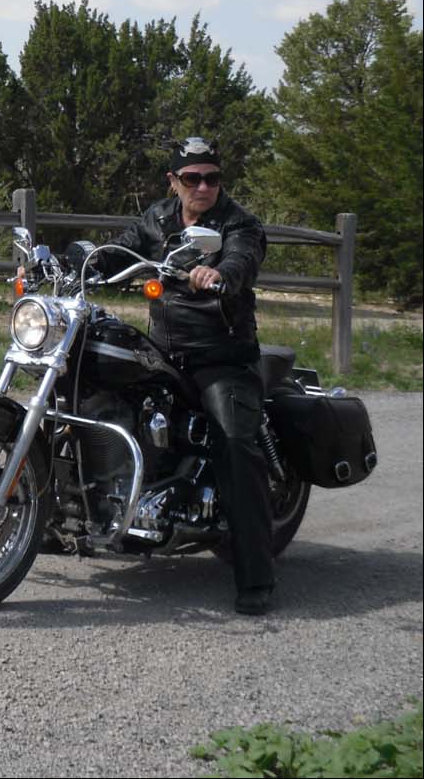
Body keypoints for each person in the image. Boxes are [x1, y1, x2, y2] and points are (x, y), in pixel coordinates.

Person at [107, 136, 274, 615]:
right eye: (192, 178)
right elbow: (120, 249)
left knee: (235, 443)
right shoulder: (158, 218)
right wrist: (76, 261)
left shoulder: (239, 223)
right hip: (163, 350)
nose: (203, 187)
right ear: (173, 182)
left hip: (222, 357)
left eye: (212, 178)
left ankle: (257, 577)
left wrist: (220, 273)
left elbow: (244, 257)